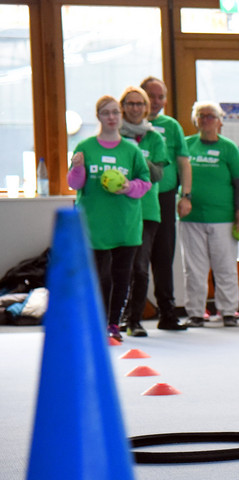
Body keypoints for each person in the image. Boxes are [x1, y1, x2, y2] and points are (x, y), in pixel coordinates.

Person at [67, 95, 151, 341]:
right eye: (106, 113)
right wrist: (77, 167)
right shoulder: (85, 147)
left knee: (121, 276)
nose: (112, 117)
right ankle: (96, 322)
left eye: (115, 112)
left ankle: (114, 324)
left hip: (125, 223)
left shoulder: (131, 149)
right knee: (98, 276)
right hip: (94, 224)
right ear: (98, 116)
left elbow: (145, 182)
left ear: (120, 115)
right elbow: (74, 183)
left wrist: (128, 187)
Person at [182, 101, 239, 327]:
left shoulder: (228, 148)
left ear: (220, 121)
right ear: (196, 120)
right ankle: (195, 312)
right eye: (201, 115)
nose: (206, 119)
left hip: (224, 218)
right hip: (191, 218)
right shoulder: (186, 145)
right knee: (194, 269)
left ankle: (229, 311)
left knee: (225, 266)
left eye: (211, 116)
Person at [140, 76, 192, 331]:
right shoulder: (128, 126)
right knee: (135, 257)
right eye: (151, 96)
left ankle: (167, 312)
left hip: (165, 196)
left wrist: (186, 195)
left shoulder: (171, 126)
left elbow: (183, 162)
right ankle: (130, 314)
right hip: (135, 198)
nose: (156, 102)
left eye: (161, 97)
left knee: (164, 255)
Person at [118, 86, 169, 336]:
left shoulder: (154, 138)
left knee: (140, 267)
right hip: (118, 211)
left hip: (147, 212)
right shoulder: (113, 135)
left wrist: (135, 155)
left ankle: (134, 320)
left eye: (140, 104)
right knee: (116, 268)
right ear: (123, 107)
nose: (135, 108)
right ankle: (112, 318)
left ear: (146, 108)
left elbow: (158, 173)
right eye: (130, 103)